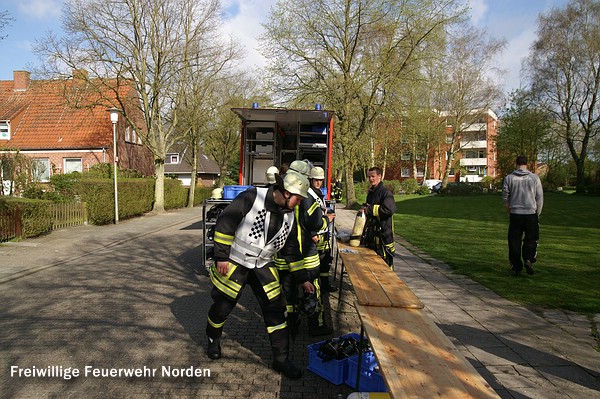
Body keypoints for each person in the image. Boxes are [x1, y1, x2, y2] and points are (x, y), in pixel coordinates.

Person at [205, 169, 314, 380]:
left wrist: (303, 279)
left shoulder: (290, 214)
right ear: (286, 193)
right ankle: (212, 340)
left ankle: (281, 359)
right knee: (222, 307)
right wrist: (221, 257)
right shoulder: (252, 197)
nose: (300, 203)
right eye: (299, 198)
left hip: (263, 266)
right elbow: (225, 224)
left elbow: (290, 249)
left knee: (276, 310)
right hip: (234, 263)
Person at [502, 155, 544, 276]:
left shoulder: (509, 178)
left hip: (515, 213)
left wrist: (508, 209)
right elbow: (539, 197)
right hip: (530, 213)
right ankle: (529, 259)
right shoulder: (534, 178)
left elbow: (505, 196)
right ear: (527, 163)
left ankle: (516, 266)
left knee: (514, 240)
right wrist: (538, 212)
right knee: (531, 238)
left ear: (516, 163)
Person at [361, 167, 397, 268]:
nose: (371, 179)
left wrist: (370, 209)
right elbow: (369, 208)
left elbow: (389, 210)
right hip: (372, 235)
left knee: (385, 268)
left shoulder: (385, 192)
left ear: (379, 176)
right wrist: (364, 209)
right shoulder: (372, 192)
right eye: (369, 177)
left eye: (373, 176)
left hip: (383, 237)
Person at [308, 166, 337, 292]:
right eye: (316, 180)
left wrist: (325, 210)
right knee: (314, 265)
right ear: (311, 180)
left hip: (323, 234)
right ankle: (312, 289)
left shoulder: (318, 194)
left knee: (325, 262)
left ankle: (324, 285)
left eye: (320, 180)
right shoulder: (310, 194)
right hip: (316, 235)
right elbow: (309, 216)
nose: (319, 182)